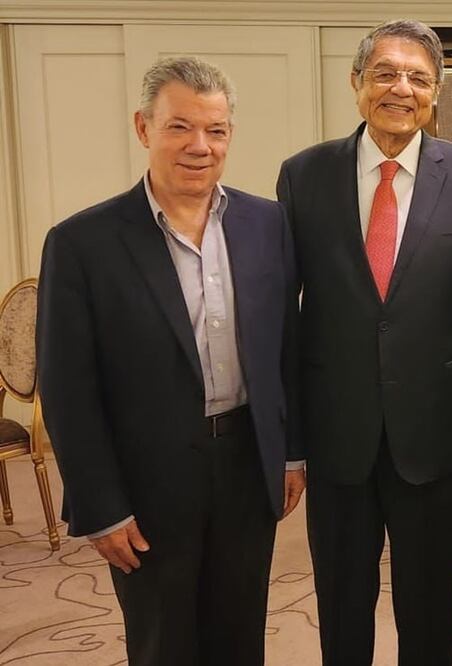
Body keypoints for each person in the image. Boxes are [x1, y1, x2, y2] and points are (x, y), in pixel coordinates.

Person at [37, 56, 304, 666]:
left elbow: (284, 349)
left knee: (240, 636)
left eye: (215, 129)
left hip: (244, 465)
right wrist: (99, 504)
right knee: (163, 642)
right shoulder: (83, 243)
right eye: (179, 127)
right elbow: (67, 388)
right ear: (143, 128)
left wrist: (291, 453)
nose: (199, 146)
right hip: (147, 478)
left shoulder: (267, 223)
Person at [276, 19, 452, 666]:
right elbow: (287, 318)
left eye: (418, 78)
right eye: (385, 74)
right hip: (336, 431)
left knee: (432, 604)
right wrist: (293, 444)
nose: (400, 89)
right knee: (342, 600)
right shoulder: (303, 176)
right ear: (356, 84)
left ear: (436, 93)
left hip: (435, 429)